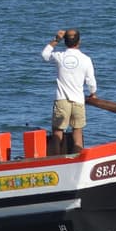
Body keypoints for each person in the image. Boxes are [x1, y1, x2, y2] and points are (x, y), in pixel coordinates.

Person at [41, 26, 97, 156]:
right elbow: (91, 82)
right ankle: (77, 162)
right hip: (78, 100)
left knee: (57, 134)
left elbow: (45, 55)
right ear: (79, 42)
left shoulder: (60, 56)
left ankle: (56, 161)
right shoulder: (86, 59)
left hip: (62, 100)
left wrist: (56, 40)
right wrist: (93, 93)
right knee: (77, 134)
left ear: (65, 42)